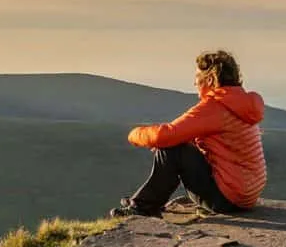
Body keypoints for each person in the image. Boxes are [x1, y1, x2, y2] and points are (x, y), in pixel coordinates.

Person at [111, 50, 266, 218]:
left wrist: (134, 134)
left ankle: (143, 208)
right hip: (246, 196)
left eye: (198, 77)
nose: (194, 82)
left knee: (172, 148)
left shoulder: (215, 107)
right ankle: (145, 199)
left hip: (226, 199)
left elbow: (164, 135)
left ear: (210, 79)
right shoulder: (240, 104)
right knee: (175, 145)